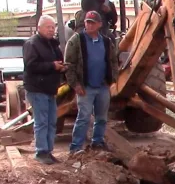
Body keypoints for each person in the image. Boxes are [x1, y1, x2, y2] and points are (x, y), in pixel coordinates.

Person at [64, 11, 118, 156]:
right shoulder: (76, 41)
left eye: (93, 22)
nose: (89, 24)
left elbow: (113, 61)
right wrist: (75, 85)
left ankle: (98, 142)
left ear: (99, 24)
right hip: (85, 87)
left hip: (102, 87)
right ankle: (76, 147)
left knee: (101, 118)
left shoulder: (107, 42)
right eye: (88, 22)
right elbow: (69, 64)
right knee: (84, 117)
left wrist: (112, 80)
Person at [23, 15, 67, 165]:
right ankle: (41, 151)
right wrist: (51, 66)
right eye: (48, 27)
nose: (51, 30)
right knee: (42, 121)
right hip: (37, 89)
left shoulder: (53, 45)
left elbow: (57, 62)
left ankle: (48, 151)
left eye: (52, 27)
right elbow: (30, 66)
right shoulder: (32, 44)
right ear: (39, 28)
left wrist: (61, 67)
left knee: (51, 121)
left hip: (50, 89)